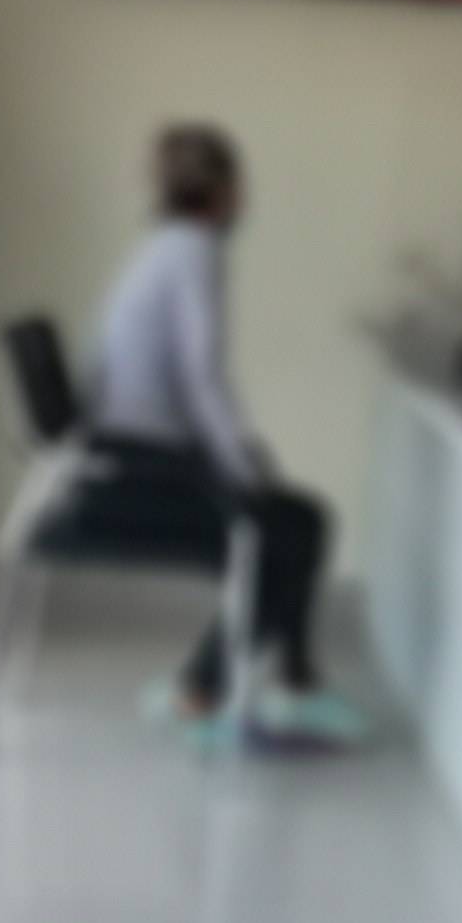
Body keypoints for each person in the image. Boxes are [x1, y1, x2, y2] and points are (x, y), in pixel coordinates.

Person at [81, 125, 364, 747]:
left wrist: (239, 457)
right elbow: (202, 374)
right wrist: (242, 465)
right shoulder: (195, 252)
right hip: (143, 460)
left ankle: (287, 681)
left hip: (126, 450)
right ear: (225, 192)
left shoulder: (161, 246)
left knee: (298, 521)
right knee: (286, 531)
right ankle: (212, 691)